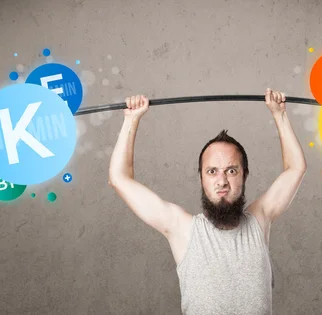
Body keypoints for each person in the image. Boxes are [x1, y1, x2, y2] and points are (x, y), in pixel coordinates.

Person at [108, 88, 307, 314]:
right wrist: (131, 120)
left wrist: (279, 115)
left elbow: (296, 168)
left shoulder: (259, 219)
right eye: (212, 172)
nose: (221, 181)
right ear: (201, 178)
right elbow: (119, 178)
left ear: (245, 174)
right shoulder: (182, 229)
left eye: (231, 171)